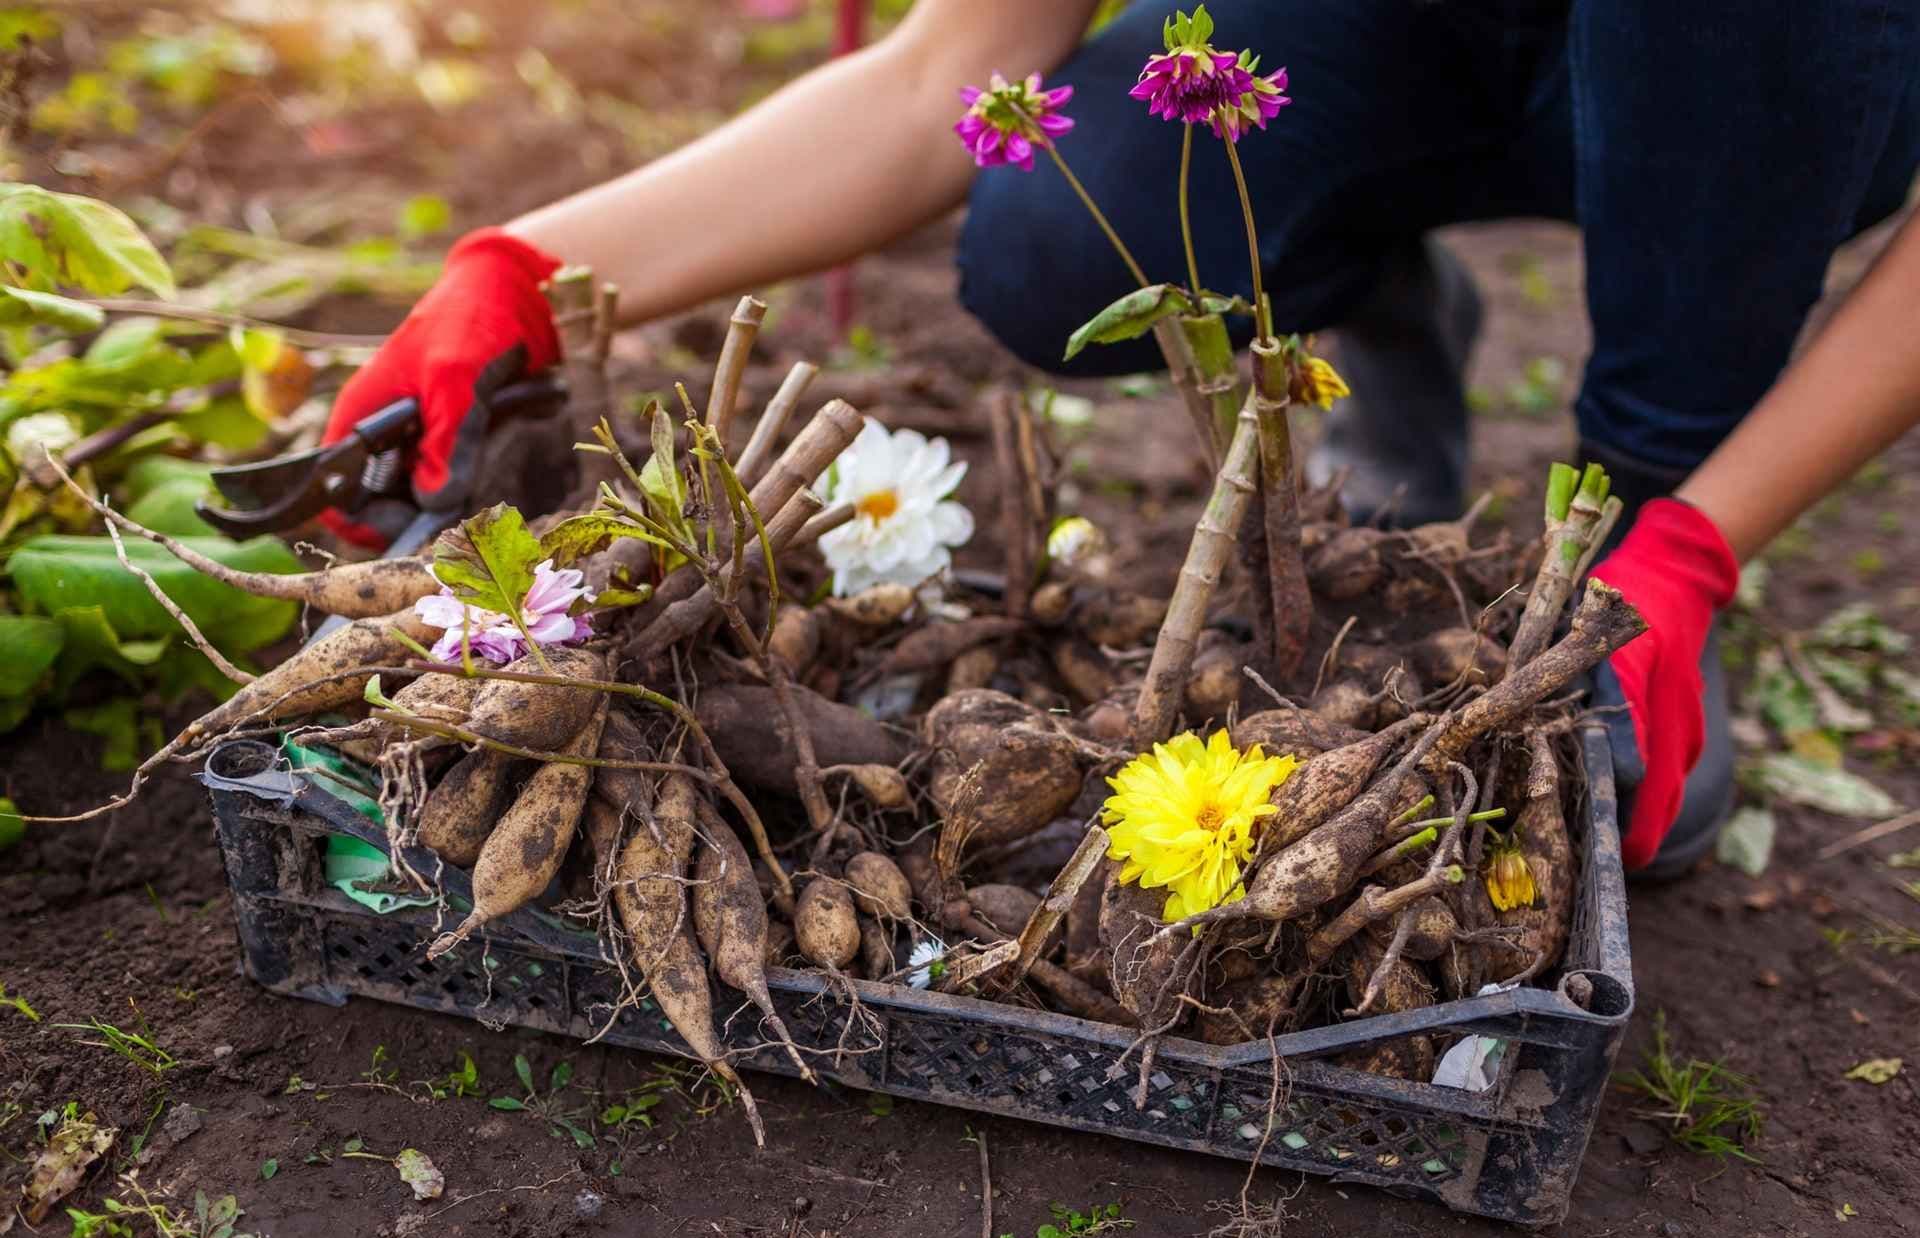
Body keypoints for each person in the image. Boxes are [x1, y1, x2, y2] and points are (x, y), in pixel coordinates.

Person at [319, 0, 1920, 876]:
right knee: (1054, 235)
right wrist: (522, 273)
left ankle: (1662, 500)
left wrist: (1705, 538)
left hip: (1773, 67)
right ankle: (1364, 311)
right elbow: (951, 73)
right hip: (1415, 37)